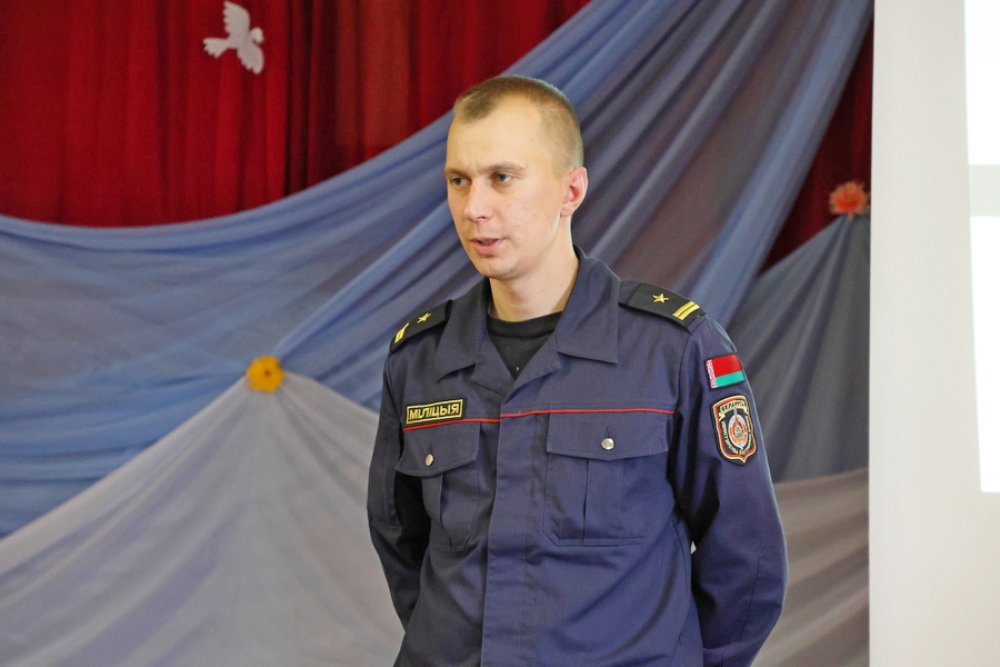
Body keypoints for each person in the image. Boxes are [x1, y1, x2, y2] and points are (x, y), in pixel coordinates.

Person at [367, 75, 786, 666]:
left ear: (571, 191)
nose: (474, 208)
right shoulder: (419, 359)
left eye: (502, 178)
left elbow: (747, 561)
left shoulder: (673, 350)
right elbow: (402, 545)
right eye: (459, 180)